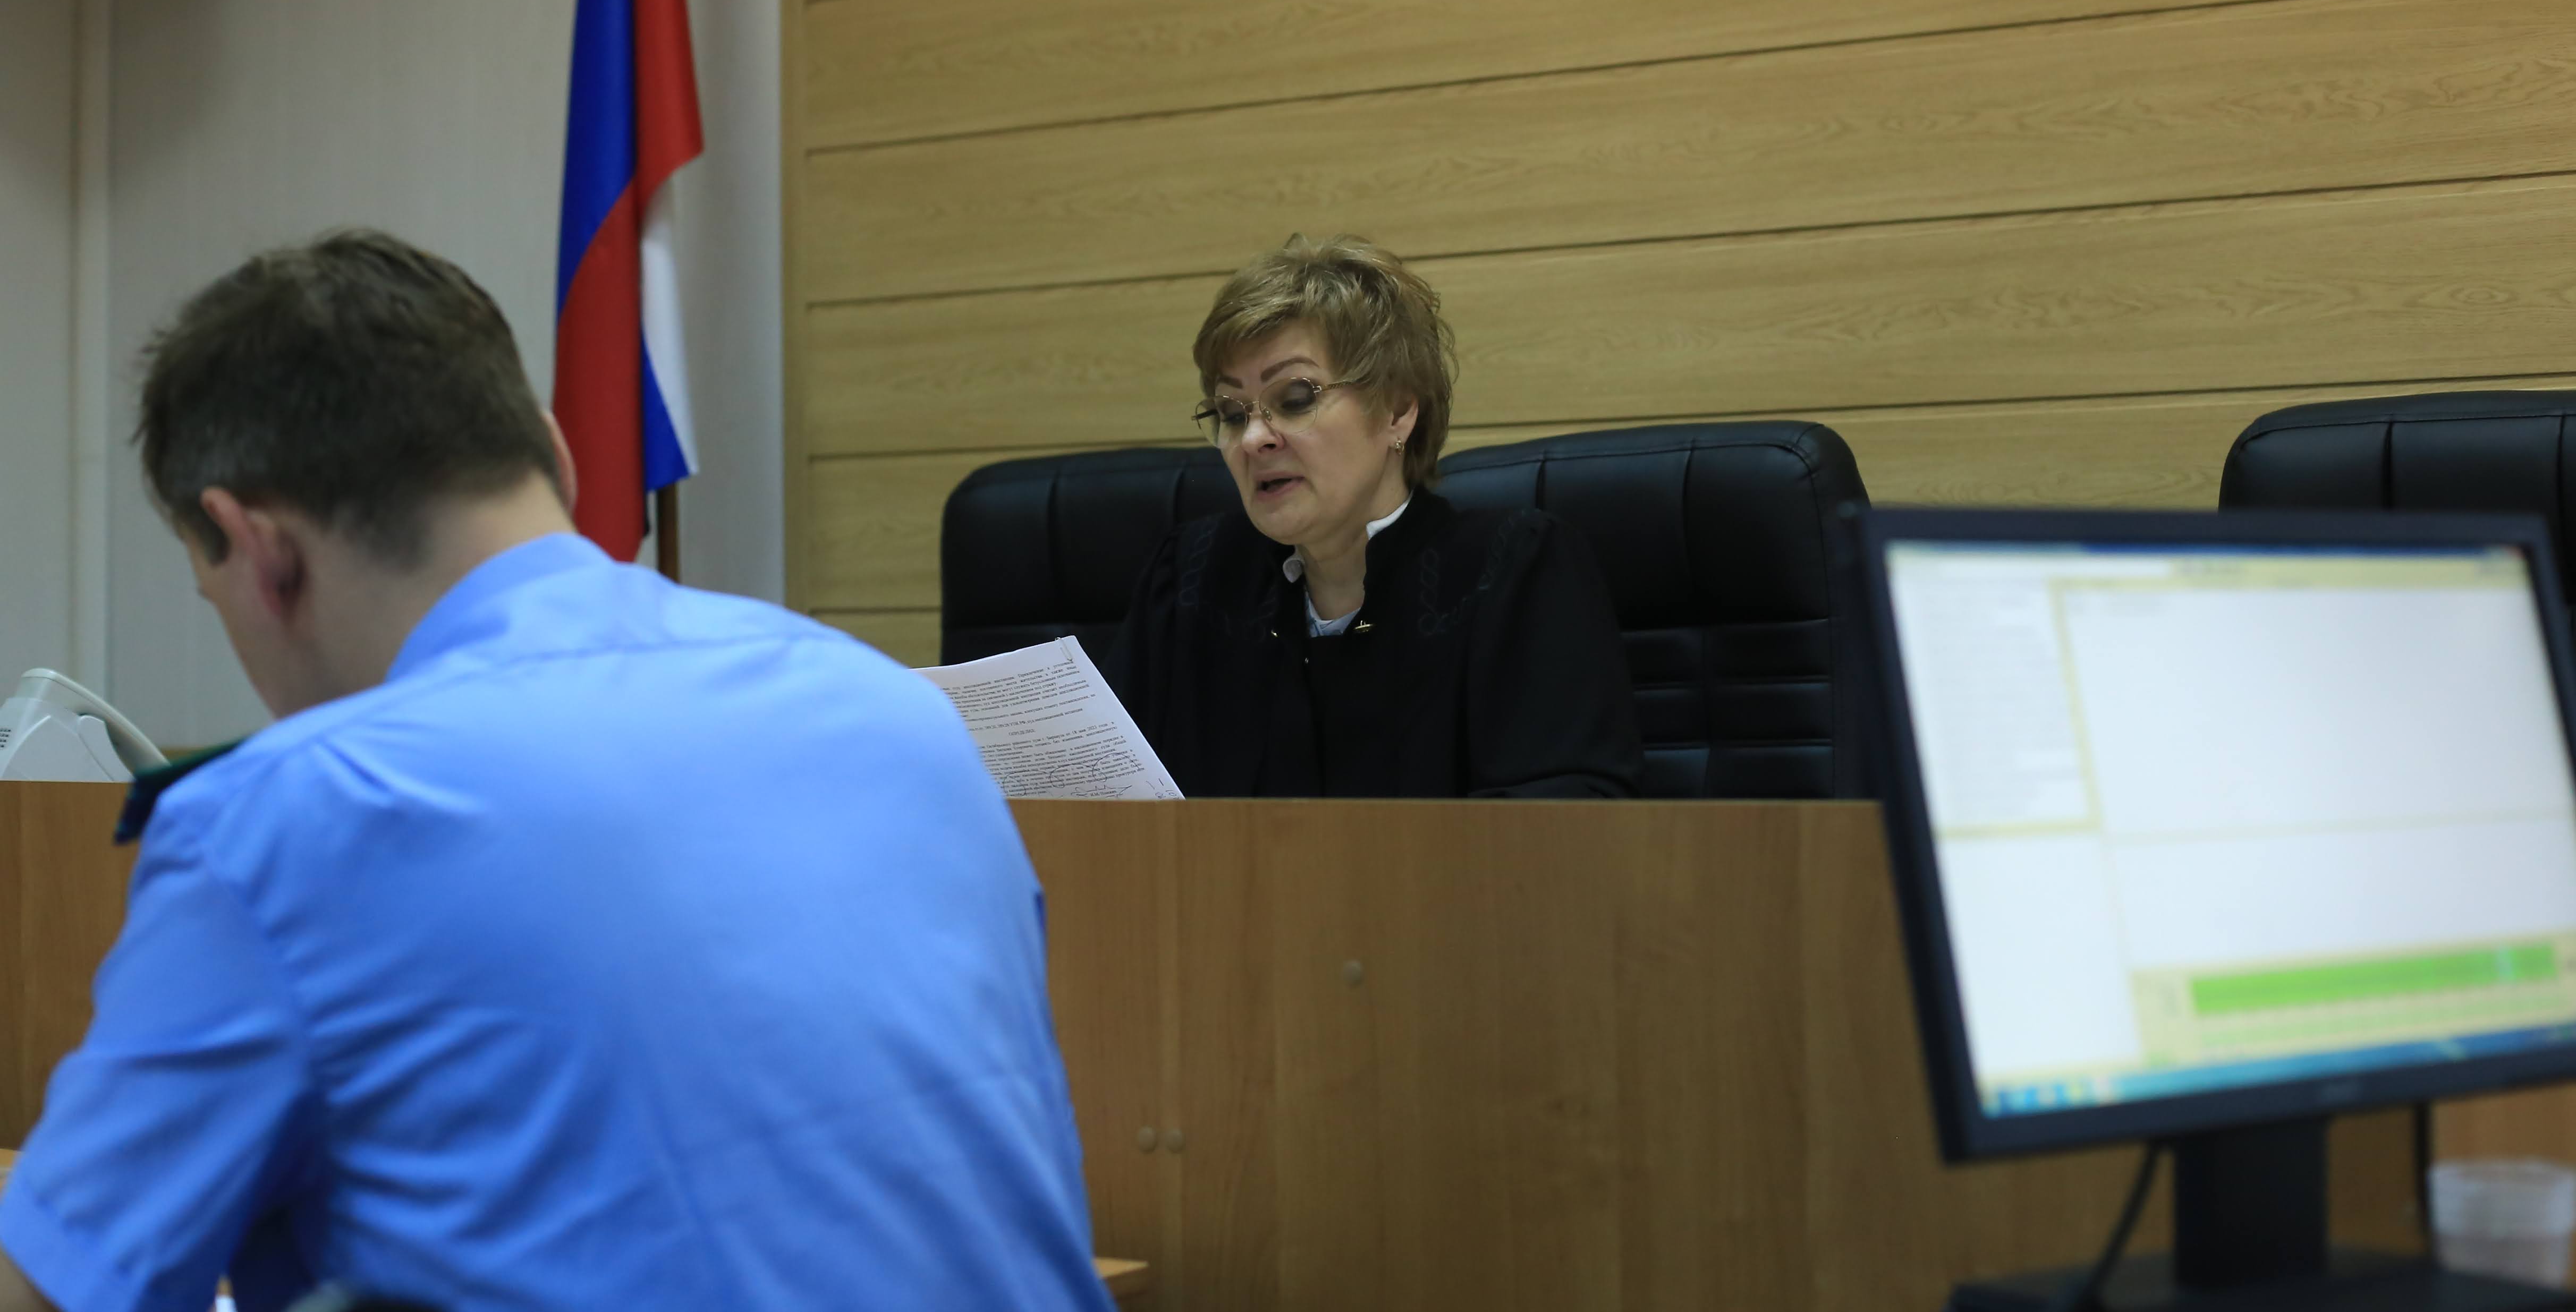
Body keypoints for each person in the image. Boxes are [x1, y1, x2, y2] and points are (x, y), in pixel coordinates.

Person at [0, 232, 1110, 1312]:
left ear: (259, 548)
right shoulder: (896, 715)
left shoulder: (289, 818)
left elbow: (54, 1291)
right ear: (555, 452)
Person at [1106, 234, 1641, 798]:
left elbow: (1569, 816)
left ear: (1396, 410)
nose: (1253, 438)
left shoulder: (1513, 570)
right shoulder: (1192, 577)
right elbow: (1096, 793)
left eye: (1295, 399)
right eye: (1232, 413)